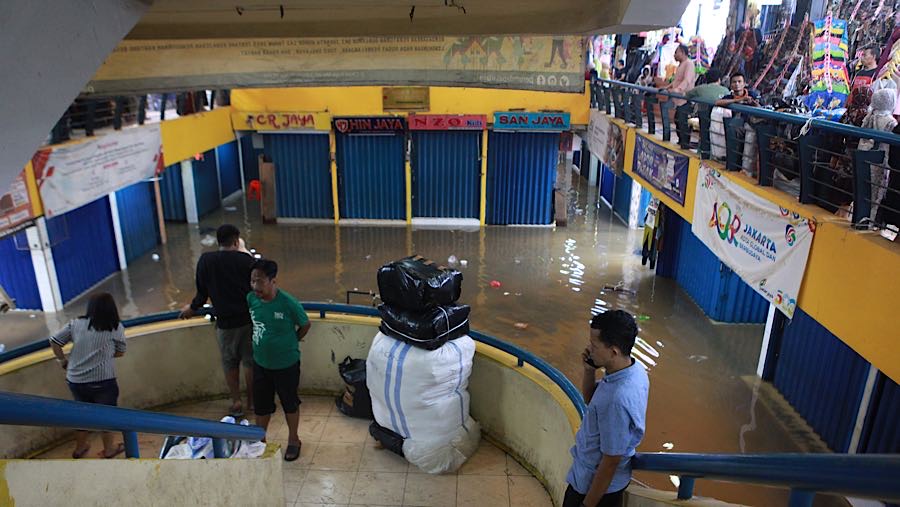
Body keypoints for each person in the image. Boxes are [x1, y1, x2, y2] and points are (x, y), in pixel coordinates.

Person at [564, 310, 649, 507]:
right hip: (597, 482)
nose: (589, 349)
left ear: (613, 351)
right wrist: (589, 370)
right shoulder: (634, 370)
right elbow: (591, 399)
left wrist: (588, 504)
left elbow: (611, 460)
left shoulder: (616, 400)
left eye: (594, 346)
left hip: (593, 489)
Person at [180, 224, 255, 418]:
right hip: (247, 320)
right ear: (236, 241)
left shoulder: (206, 261)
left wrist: (192, 308)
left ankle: (236, 401)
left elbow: (201, 294)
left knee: (230, 363)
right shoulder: (246, 260)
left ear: (218, 241)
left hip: (224, 323)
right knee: (250, 362)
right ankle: (252, 402)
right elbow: (256, 289)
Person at [49, 292, 127, 459]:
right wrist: (103, 355)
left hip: (75, 380)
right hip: (103, 381)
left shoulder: (76, 324)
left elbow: (55, 340)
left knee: (81, 415)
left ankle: (80, 448)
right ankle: (109, 450)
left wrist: (62, 360)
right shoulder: (116, 328)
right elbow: (121, 352)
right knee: (107, 416)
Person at [247, 258, 311, 462]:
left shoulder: (288, 303)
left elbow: (305, 324)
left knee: (289, 403)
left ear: (273, 281)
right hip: (260, 363)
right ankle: (260, 441)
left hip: (286, 365)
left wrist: (292, 341)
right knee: (261, 406)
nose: (255, 286)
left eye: (260, 281)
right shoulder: (251, 299)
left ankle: (294, 440)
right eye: (253, 280)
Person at [715, 73, 761, 174]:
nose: (737, 84)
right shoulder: (729, 96)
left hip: (749, 127)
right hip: (734, 129)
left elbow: (761, 108)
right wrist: (740, 100)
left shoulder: (752, 94)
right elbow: (717, 102)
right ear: (731, 85)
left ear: (744, 83)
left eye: (739, 82)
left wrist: (753, 103)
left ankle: (746, 171)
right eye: (734, 82)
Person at [660, 44, 696, 150]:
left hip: (684, 98)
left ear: (683, 53)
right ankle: (681, 141)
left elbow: (687, 80)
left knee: (681, 120)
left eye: (676, 52)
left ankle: (685, 143)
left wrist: (678, 90)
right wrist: (667, 87)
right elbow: (676, 81)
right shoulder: (681, 65)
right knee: (677, 119)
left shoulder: (689, 64)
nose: (674, 55)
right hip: (677, 98)